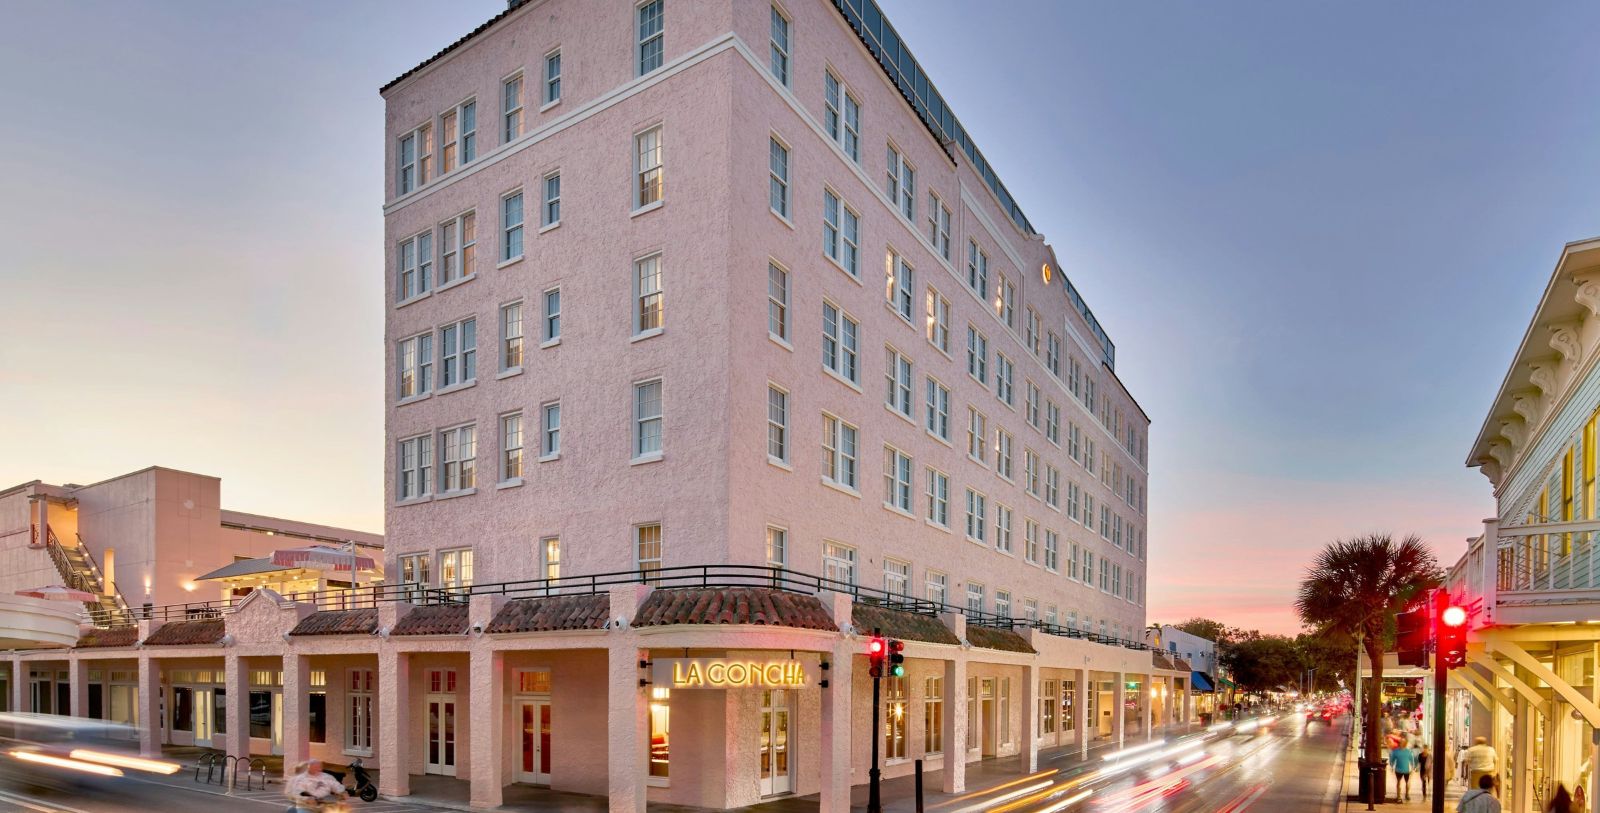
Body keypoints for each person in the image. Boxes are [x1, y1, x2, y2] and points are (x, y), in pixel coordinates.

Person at [1392, 737, 1417, 802]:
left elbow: (1411, 760)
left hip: (1406, 770)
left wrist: (1413, 767)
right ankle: (1398, 795)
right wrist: (1392, 766)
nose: (1401, 744)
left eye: (1403, 743)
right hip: (1398, 770)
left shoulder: (1408, 752)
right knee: (1398, 782)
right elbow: (1392, 759)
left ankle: (1407, 794)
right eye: (1400, 742)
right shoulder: (1396, 751)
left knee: (1407, 782)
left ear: (1405, 744)